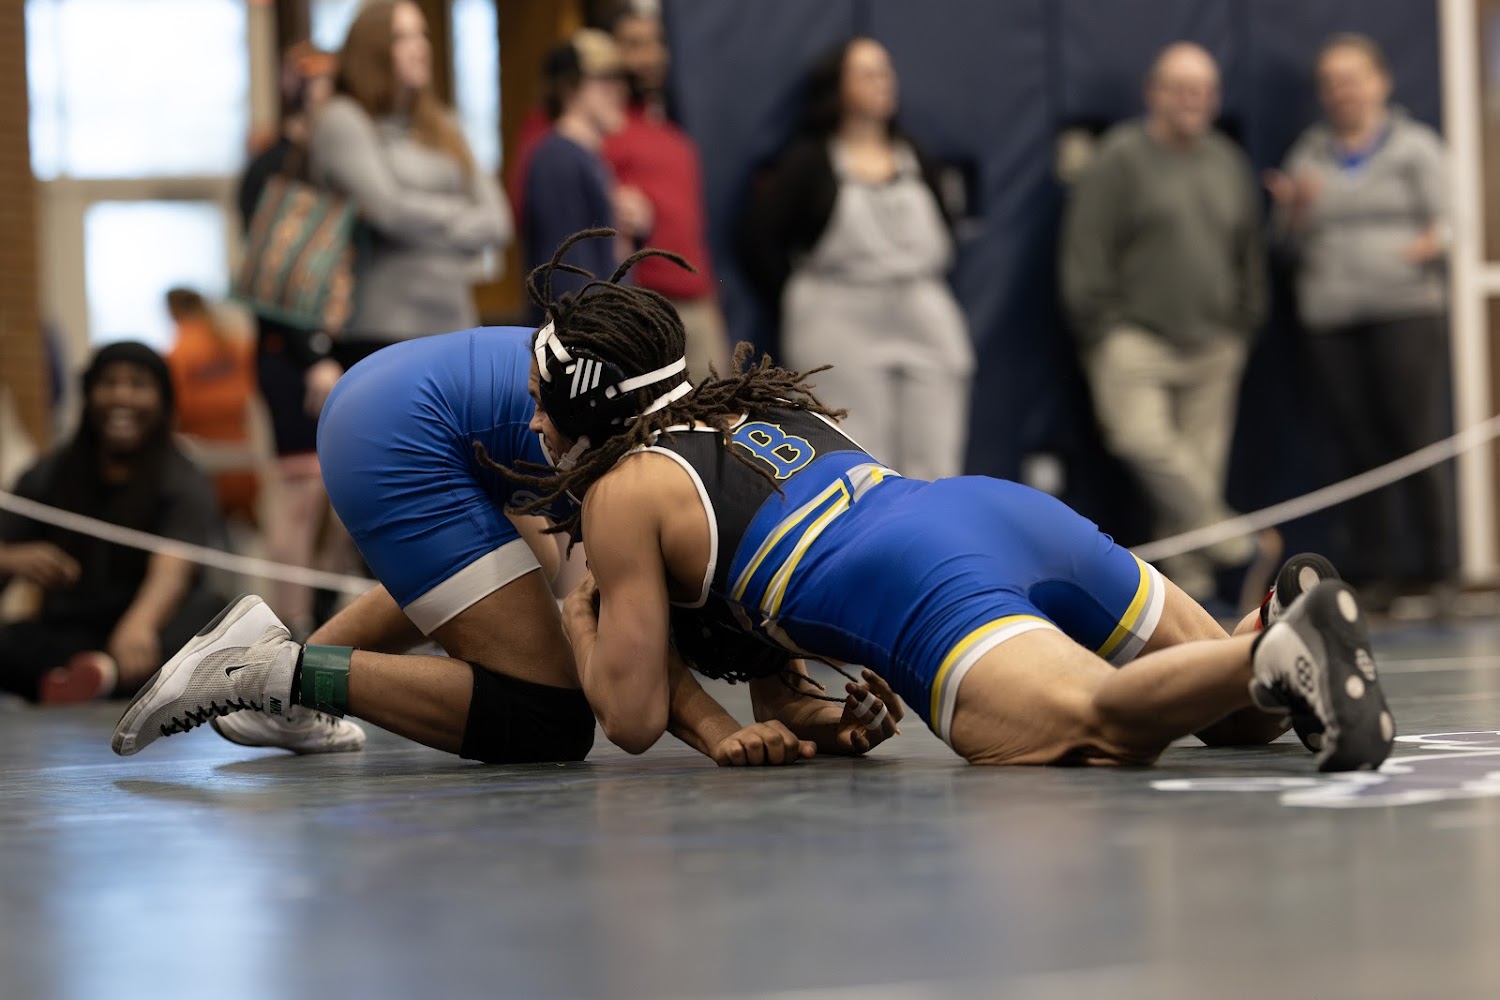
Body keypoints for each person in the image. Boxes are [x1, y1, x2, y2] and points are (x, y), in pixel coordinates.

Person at [502, 230, 1395, 773]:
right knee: (1237, 723)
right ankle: (1271, 634)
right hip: (990, 510)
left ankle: (1282, 647)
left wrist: (578, 614)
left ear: (586, 401)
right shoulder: (756, 403)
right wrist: (819, 719)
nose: (535, 421)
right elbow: (772, 670)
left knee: (1101, 729)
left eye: (543, 401)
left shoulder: (623, 491)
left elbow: (630, 719)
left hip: (917, 580)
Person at [111, 319, 897, 766]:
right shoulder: (648, 474)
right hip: (405, 430)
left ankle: (287, 684)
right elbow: (619, 624)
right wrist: (721, 731)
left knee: (506, 585)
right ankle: (268, 670)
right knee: (547, 715)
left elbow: (750, 614)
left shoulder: (706, 452)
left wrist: (798, 708)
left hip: (403, 399)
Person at [1060, 42, 1267, 603]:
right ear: (1154, 93)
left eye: (1202, 90)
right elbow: (1086, 251)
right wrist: (1101, 328)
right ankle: (1237, 543)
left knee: (1195, 476)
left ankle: (1191, 600)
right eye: (1180, 88)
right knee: (1140, 440)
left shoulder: (1227, 161)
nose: (1192, 100)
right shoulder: (1119, 158)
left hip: (1215, 343)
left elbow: (1248, 250)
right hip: (1133, 339)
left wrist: (1242, 325)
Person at [1266, 34, 1455, 611]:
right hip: (1330, 319)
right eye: (1331, 82)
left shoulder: (1416, 146)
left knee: (1413, 438)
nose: (1341, 91)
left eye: (1351, 78)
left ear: (1380, 82)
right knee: (1356, 447)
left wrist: (1433, 243)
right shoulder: (1309, 154)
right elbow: (1283, 246)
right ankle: (1374, 572)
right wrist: (1293, 213)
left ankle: (1437, 570)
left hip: (1404, 310)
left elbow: (1452, 220)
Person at [740, 37, 971, 482]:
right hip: (839, 319)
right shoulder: (809, 161)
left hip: (922, 311)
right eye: (867, 74)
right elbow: (759, 240)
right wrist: (803, 296)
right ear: (837, 88)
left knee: (937, 458)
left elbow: (946, 228)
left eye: (885, 71)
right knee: (858, 459)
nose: (883, 82)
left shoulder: (915, 155)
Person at [0, 343, 228, 703]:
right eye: (109, 383)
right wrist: (15, 559)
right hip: (69, 631)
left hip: (149, 630)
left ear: (163, 399)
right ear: (89, 394)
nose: (122, 396)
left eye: (138, 384)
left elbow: (173, 569)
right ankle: (89, 678)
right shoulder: (51, 472)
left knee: (213, 615)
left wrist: (140, 624)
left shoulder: (182, 477)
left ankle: (95, 677)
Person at [311, 0, 512, 366]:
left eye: (422, 35)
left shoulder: (443, 124)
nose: (420, 47)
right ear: (372, 49)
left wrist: (417, 221)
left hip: (455, 324)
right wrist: (460, 215)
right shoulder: (344, 119)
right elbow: (388, 210)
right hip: (383, 331)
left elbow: (498, 221)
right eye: (401, 37)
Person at [237, 41, 341, 638]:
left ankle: (325, 618)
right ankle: (290, 631)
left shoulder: (337, 157)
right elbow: (271, 277)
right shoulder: (272, 165)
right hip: (290, 351)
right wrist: (313, 355)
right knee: (300, 495)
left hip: (335, 344)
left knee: (344, 497)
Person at [602, 6, 730, 381]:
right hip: (641, 308)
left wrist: (709, 301)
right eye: (633, 45)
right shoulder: (599, 132)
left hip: (697, 304)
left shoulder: (676, 138)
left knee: (715, 411)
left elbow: (693, 231)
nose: (649, 56)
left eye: (655, 43)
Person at [521, 29, 630, 315]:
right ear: (569, 86)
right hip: (581, 330)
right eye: (605, 80)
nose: (619, 92)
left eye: (620, 80)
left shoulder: (584, 157)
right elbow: (567, 274)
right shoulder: (558, 158)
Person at [163, 288, 259, 526]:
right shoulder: (232, 342)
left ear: (173, 310)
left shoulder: (179, 351)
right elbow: (247, 390)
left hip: (202, 458)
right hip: (241, 455)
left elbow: (175, 405)